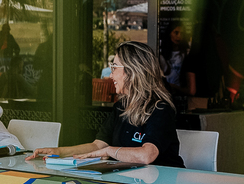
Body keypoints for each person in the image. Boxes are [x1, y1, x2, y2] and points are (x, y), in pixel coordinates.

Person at [28, 41, 184, 167]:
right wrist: (58, 152)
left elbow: (147, 155)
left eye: (114, 68)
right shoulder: (121, 107)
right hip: (132, 182)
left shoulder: (160, 109)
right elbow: (98, 146)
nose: (111, 75)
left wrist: (109, 151)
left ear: (132, 71)